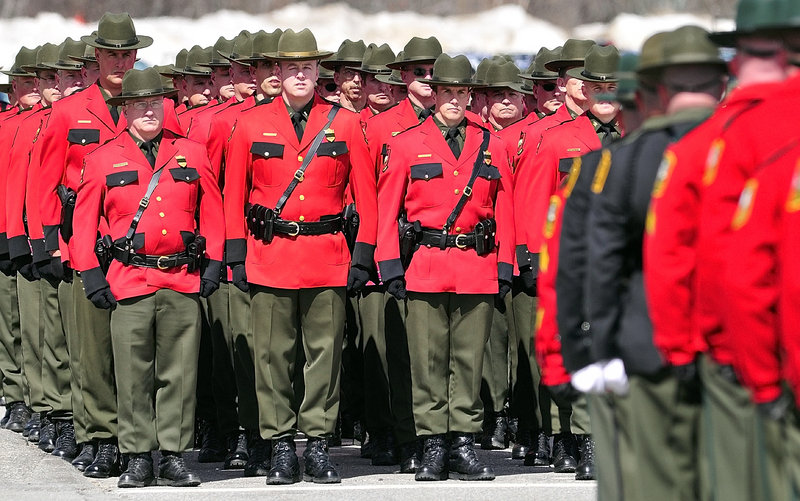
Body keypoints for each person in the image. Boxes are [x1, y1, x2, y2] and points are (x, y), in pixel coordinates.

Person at [644, 2, 791, 500]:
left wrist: (680, 347)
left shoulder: (708, 144)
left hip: (732, 346)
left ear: (734, 62)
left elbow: (671, 255)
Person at [223, 28, 377, 485]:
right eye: (292, 68)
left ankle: (317, 445)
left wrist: (364, 253)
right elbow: (235, 192)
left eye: (308, 68)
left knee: (324, 357)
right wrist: (235, 254)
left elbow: (365, 193)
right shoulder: (250, 123)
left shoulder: (344, 123)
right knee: (272, 357)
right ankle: (281, 446)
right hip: (269, 254)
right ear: (277, 72)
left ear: (317, 73)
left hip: (327, 254)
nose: (300, 75)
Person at [585, 26, 727, 501]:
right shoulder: (745, 145)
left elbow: (601, 259)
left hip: (648, 340)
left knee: (654, 481)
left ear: (655, 92)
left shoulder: (624, 161)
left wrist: (600, 344)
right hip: (737, 344)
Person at [72, 67, 224, 488]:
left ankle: (173, 455)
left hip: (181, 277)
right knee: (133, 373)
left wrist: (213, 263)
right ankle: (138, 454)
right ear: (125, 110)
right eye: (140, 105)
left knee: (179, 372)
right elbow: (84, 224)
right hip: (130, 279)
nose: (149, 111)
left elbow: (212, 208)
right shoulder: (103, 158)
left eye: (155, 103)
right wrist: (91, 275)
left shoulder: (191, 152)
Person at [376, 53, 514, 482]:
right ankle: (432, 442)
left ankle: (464, 443)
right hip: (426, 264)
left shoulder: (492, 142)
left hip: (476, 263)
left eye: (462, 92)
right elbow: (387, 210)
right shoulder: (405, 143)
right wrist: (389, 266)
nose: (454, 100)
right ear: (433, 95)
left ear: (471, 95)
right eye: (447, 92)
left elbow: (504, 207)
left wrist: (506, 262)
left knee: (469, 362)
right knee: (428, 360)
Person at [38, 12, 153, 478]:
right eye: (113, 54)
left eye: (128, 53)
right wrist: (46, 244)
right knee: (90, 350)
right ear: (97, 57)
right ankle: (99, 437)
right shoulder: (68, 111)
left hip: (135, 248)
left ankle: (136, 440)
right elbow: (45, 181)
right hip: (83, 246)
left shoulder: (149, 106)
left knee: (137, 350)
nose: (121, 61)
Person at [0, 46, 41, 440]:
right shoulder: (8, 124)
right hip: (11, 232)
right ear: (13, 86)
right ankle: (16, 395)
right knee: (12, 323)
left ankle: (31, 398)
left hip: (36, 235)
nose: (32, 87)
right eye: (26, 81)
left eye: (37, 80)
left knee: (33, 325)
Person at [322, 39, 367, 112]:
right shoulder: (325, 116)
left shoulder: (381, 117)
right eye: (349, 72)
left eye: (362, 73)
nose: (357, 79)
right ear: (337, 78)